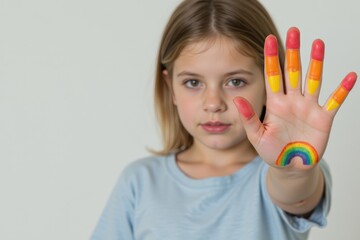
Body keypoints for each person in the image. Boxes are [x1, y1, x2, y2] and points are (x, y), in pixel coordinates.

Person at [91, 0, 357, 239]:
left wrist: (289, 168)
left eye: (235, 81)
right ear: (170, 86)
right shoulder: (139, 182)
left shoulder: (287, 167)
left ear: (269, 82)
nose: (213, 103)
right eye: (193, 82)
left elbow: (296, 194)